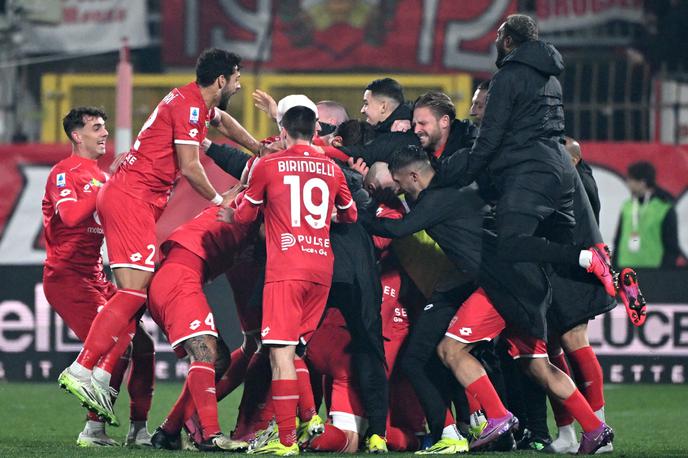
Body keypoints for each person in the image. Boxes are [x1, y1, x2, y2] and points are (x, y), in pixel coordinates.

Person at [364, 146, 615, 454]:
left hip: (502, 284)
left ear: (414, 176)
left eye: (400, 181)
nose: (399, 188)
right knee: (538, 366)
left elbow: (397, 228)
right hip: (526, 282)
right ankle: (595, 428)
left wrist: (356, 215)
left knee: (450, 349)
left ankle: (497, 415)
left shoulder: (435, 199)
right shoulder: (461, 188)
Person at [57, 48, 256, 424]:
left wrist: (258, 149)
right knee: (133, 292)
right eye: (236, 78)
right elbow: (190, 165)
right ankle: (83, 369)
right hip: (132, 198)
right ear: (221, 80)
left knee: (136, 292)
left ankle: (96, 374)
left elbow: (224, 121)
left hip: (137, 200)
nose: (239, 84)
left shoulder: (191, 101)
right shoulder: (190, 107)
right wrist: (219, 201)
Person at [433, 14, 617, 298]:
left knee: (511, 245)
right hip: (559, 171)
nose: (494, 41)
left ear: (507, 41)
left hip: (530, 173)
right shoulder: (552, 79)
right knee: (555, 254)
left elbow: (490, 138)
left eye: (497, 36)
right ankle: (606, 275)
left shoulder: (506, 78)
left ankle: (591, 260)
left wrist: (463, 173)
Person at [221, 105, 357, 455]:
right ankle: (310, 416)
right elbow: (350, 214)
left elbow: (245, 216)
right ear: (314, 132)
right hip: (321, 269)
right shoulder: (331, 168)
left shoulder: (269, 165)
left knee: (279, 354)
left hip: (287, 269)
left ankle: (286, 442)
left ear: (282, 131)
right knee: (295, 350)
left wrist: (236, 207)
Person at [45, 107, 154, 447]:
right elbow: (72, 215)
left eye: (104, 126)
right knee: (119, 339)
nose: (104, 133)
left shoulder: (103, 176)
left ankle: (138, 429)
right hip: (67, 277)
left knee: (145, 346)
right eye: (96, 127)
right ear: (77, 136)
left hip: (95, 273)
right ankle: (92, 428)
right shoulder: (64, 173)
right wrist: (106, 187)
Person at [147, 197, 257, 451]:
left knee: (219, 360)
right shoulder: (250, 199)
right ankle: (210, 435)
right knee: (204, 349)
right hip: (178, 275)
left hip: (181, 277)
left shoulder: (247, 202)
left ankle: (169, 431)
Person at [613, 160, 683, 269]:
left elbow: (671, 246)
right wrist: (614, 266)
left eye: (631, 179)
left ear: (642, 183)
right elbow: (618, 240)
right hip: (625, 269)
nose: (628, 183)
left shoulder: (664, 208)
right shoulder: (627, 206)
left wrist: (666, 273)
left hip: (653, 272)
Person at [412, 90, 475, 160]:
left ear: (444, 121)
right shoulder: (414, 152)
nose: (416, 130)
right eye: (414, 125)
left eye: (423, 123)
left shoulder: (471, 153)